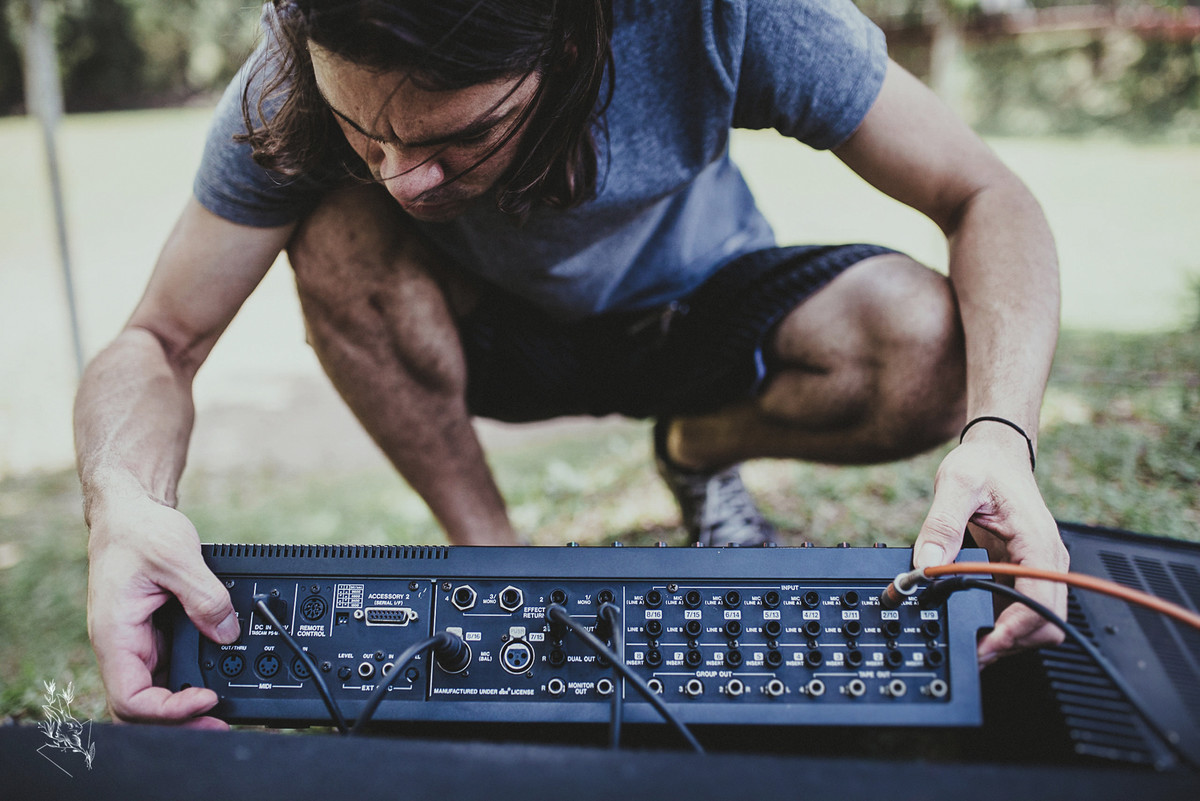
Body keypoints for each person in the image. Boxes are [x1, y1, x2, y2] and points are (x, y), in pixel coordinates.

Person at [74, 0, 1068, 728]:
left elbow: (987, 193)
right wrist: (120, 498)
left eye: (461, 134)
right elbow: (159, 337)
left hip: (697, 313)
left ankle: (696, 447)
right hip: (492, 340)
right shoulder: (290, 77)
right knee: (333, 228)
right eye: (361, 130)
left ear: (575, 35)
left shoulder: (729, 16)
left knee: (930, 346)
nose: (403, 176)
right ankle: (494, 554)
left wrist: (1001, 436)